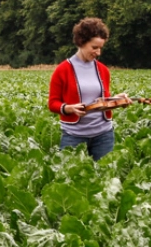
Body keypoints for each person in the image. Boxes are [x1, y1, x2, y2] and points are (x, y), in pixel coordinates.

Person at [48, 17, 118, 161]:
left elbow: (102, 101)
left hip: (104, 135)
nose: (98, 52)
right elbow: (53, 103)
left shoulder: (103, 70)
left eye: (100, 48)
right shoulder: (62, 70)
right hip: (73, 135)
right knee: (68, 177)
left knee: (106, 177)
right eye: (94, 47)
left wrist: (117, 100)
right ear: (81, 43)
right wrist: (69, 108)